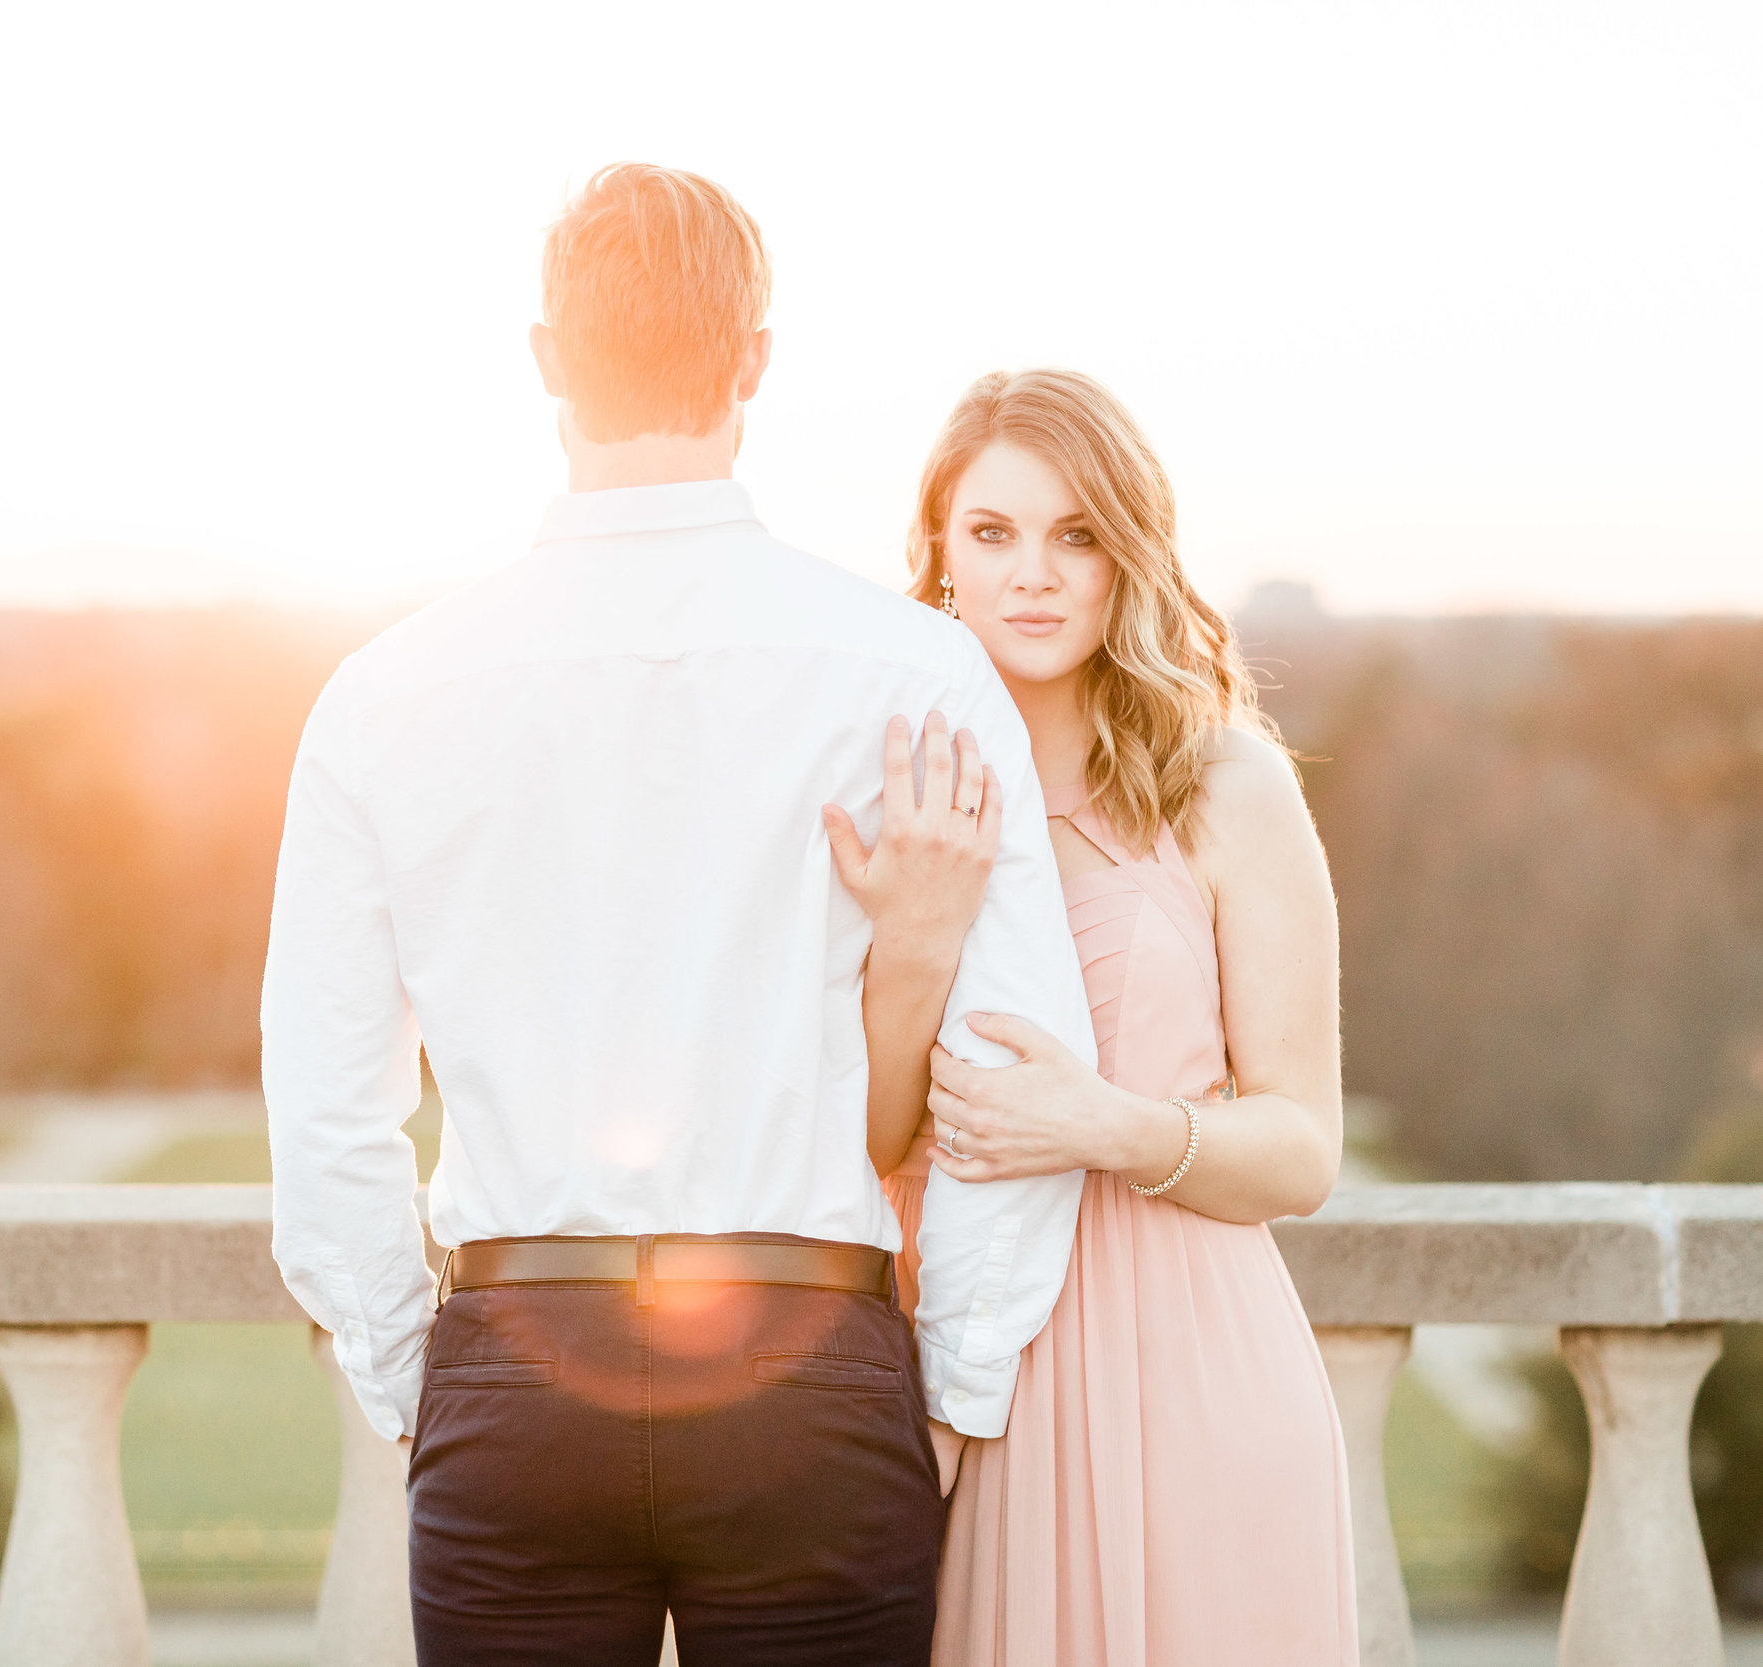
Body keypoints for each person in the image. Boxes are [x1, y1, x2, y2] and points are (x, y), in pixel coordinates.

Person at [262, 166, 1096, 1664]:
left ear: (544, 361)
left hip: (515, 1370)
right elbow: (1012, 1077)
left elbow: (327, 1115)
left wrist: (421, 1384)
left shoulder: (384, 697)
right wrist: (956, 1387)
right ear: (757, 358)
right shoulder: (912, 672)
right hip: (813, 1367)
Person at [854, 369, 1356, 1664]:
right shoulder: (881, 784)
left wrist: (1107, 1125)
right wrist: (914, 936)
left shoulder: (1226, 784)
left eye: (1076, 535)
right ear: (938, 553)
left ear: (1127, 554)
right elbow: (860, 1134)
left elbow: (1303, 1148)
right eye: (993, 532)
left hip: (1194, 1376)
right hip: (959, 1380)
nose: (1034, 574)